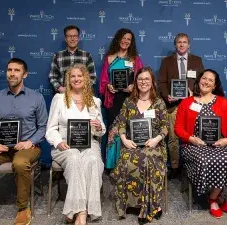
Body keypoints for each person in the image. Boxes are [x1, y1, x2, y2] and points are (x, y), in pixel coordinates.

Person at [0, 58, 48, 225]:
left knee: (20, 163)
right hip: (1, 147)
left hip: (28, 146)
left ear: (25, 74)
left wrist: (30, 142)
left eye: (17, 70)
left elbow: (43, 127)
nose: (12, 73)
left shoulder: (36, 98)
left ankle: (23, 208)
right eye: (9, 70)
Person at [174, 69, 227, 219]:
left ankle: (214, 197)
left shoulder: (223, 102)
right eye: (204, 78)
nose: (206, 82)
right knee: (205, 159)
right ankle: (216, 198)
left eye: (210, 80)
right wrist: (191, 139)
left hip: (219, 144)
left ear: (215, 85)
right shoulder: (187, 102)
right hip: (193, 145)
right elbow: (178, 128)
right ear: (199, 80)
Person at [46, 64, 105, 225]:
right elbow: (50, 129)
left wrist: (99, 127)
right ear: (68, 79)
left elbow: (100, 129)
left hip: (89, 143)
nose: (76, 79)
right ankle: (82, 211)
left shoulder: (94, 101)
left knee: (93, 161)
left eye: (80, 76)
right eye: (73, 76)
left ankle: (77, 210)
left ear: (86, 78)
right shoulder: (59, 99)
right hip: (65, 145)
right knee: (74, 158)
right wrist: (58, 142)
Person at [111, 67, 168, 224]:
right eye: (140, 79)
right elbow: (121, 123)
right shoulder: (129, 102)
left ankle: (151, 206)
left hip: (154, 145)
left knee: (148, 160)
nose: (143, 82)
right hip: (132, 144)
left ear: (152, 82)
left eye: (147, 79)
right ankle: (130, 203)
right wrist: (124, 139)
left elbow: (165, 126)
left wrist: (156, 139)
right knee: (127, 160)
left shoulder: (159, 102)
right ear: (136, 82)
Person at [158, 33, 204, 177]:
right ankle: (175, 166)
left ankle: (192, 166)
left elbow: (203, 82)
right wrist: (167, 96)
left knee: (193, 135)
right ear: (175, 45)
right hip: (173, 105)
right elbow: (162, 82)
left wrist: (194, 92)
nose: (182, 45)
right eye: (179, 42)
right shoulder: (166, 61)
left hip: (193, 104)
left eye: (184, 42)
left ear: (189, 44)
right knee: (172, 137)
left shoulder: (197, 60)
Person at [98, 28, 143, 169]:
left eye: (128, 39)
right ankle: (112, 164)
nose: (125, 41)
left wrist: (133, 87)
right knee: (114, 131)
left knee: (128, 131)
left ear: (131, 42)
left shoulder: (135, 60)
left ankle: (127, 165)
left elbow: (142, 80)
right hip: (113, 100)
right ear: (118, 39)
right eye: (123, 38)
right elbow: (103, 82)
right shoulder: (110, 58)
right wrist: (109, 87)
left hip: (130, 99)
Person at [49, 25, 97, 93]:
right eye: (69, 36)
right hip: (63, 95)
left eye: (75, 36)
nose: (72, 39)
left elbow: (93, 77)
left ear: (78, 38)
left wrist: (82, 89)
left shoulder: (87, 56)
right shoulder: (57, 56)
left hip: (82, 95)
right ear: (65, 39)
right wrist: (60, 88)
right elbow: (52, 76)